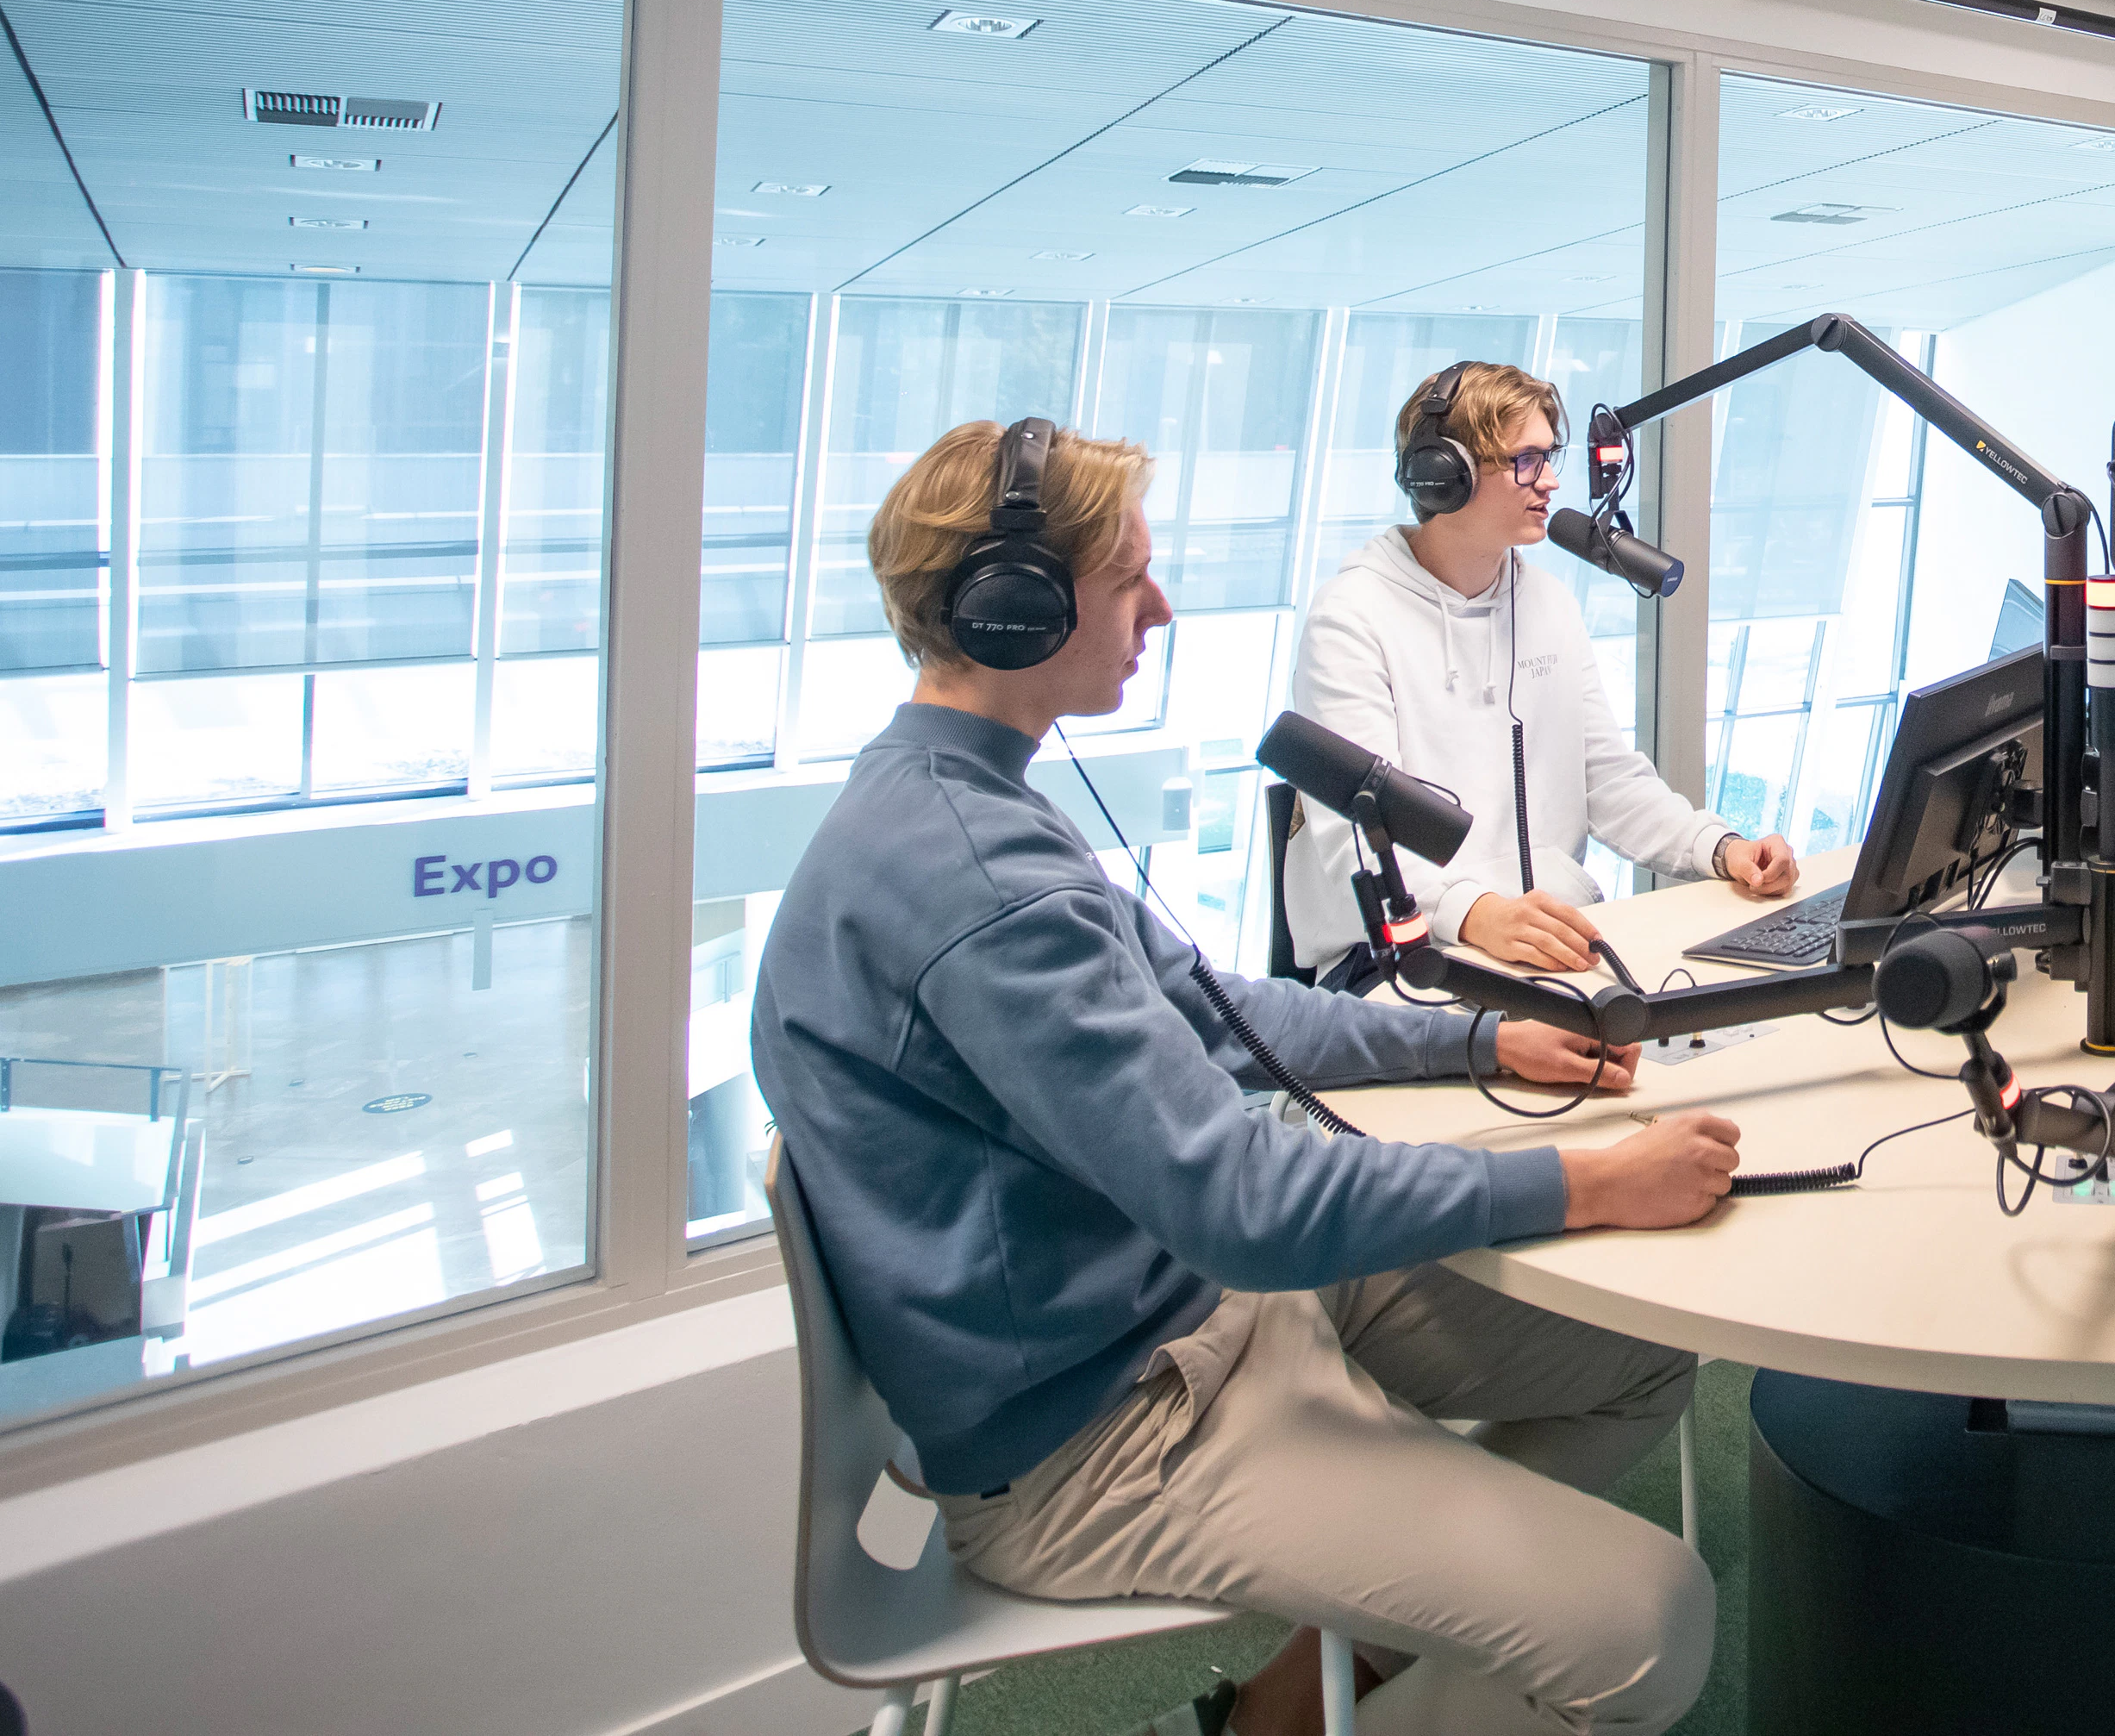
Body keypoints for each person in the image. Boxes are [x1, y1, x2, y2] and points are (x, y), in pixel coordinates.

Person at [752, 417, 1738, 1736]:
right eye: (1128, 579)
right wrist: (1586, 1184)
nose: (1158, 609)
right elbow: (1242, 1204)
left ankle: (1278, 1714)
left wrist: (1477, 1039)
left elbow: (1218, 1013)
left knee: (1644, 1351)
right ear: (1014, 610)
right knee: (1649, 1624)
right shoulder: (977, 882)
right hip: (1101, 1442)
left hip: (1191, 1321)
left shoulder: (964, 799)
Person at [1285, 362, 1795, 979]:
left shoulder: (1547, 603)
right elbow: (1361, 835)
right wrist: (1479, 915)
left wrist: (1719, 847)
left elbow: (1606, 779)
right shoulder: (1350, 619)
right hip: (1397, 956)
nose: (1550, 480)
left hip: (1535, 941)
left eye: (1549, 456)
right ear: (1445, 474)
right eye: (1526, 460)